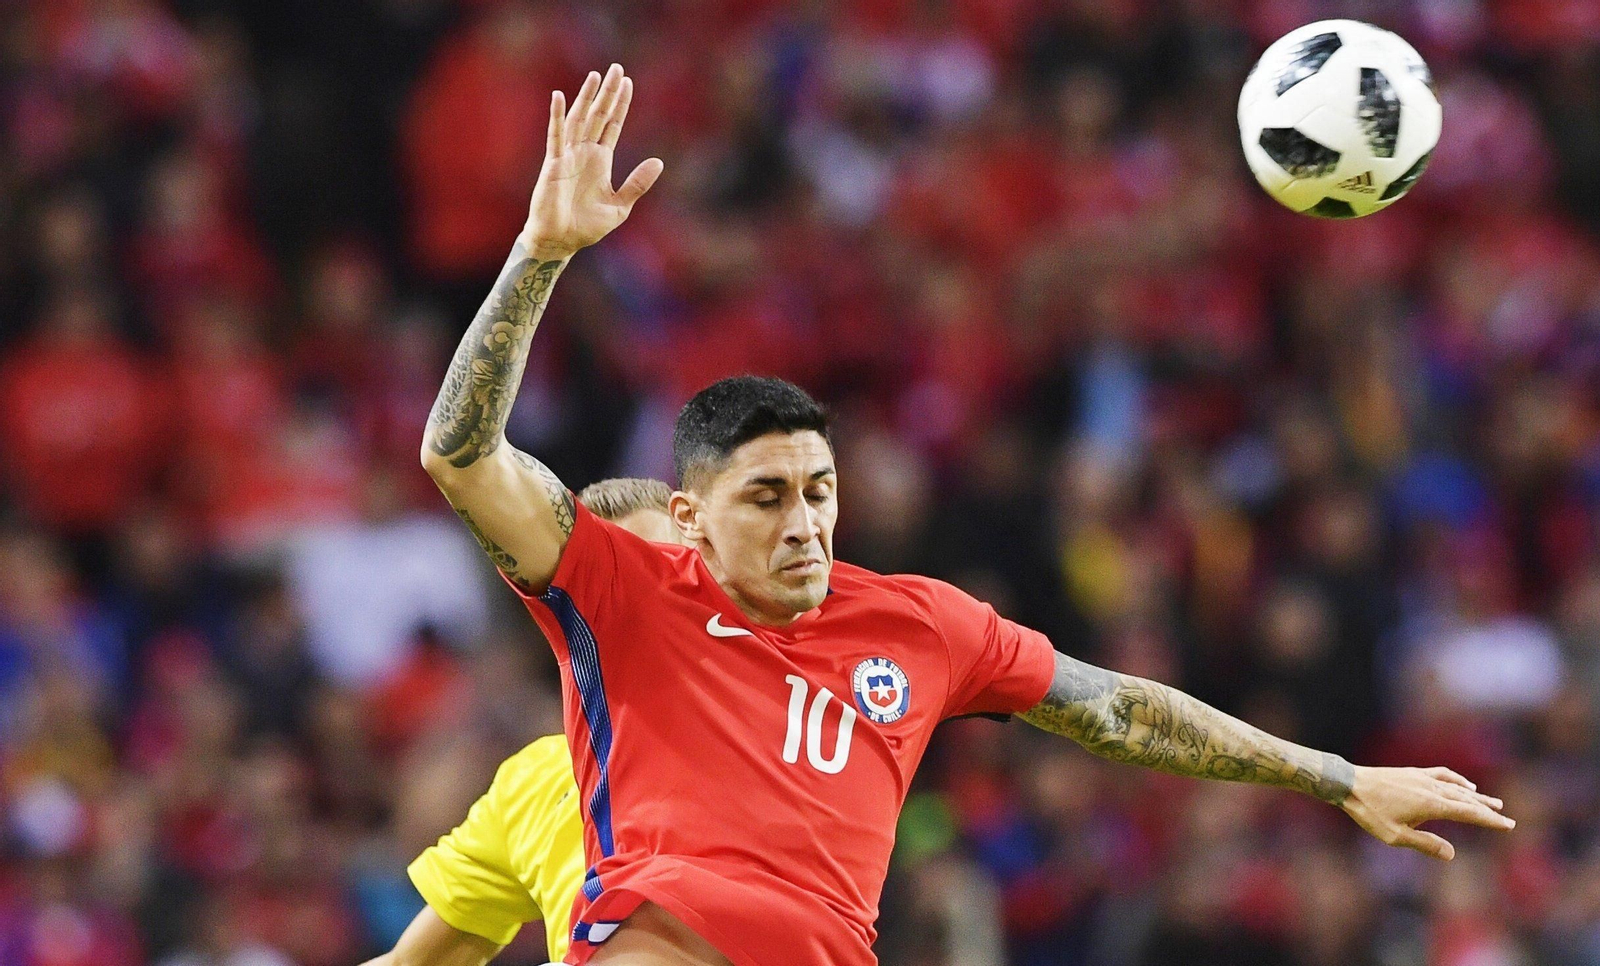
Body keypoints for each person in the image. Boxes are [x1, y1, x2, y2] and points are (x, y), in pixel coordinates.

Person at [419, 64, 1516, 966]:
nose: (804, 522)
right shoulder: (626, 588)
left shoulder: (922, 625)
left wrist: (1337, 776)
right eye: (766, 496)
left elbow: (1120, 711)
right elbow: (459, 453)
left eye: (819, 491)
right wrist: (541, 254)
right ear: (688, 516)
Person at [364, 478, 682, 966]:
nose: (641, 604)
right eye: (606, 581)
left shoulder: (785, 740)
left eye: (664, 572)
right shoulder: (533, 785)